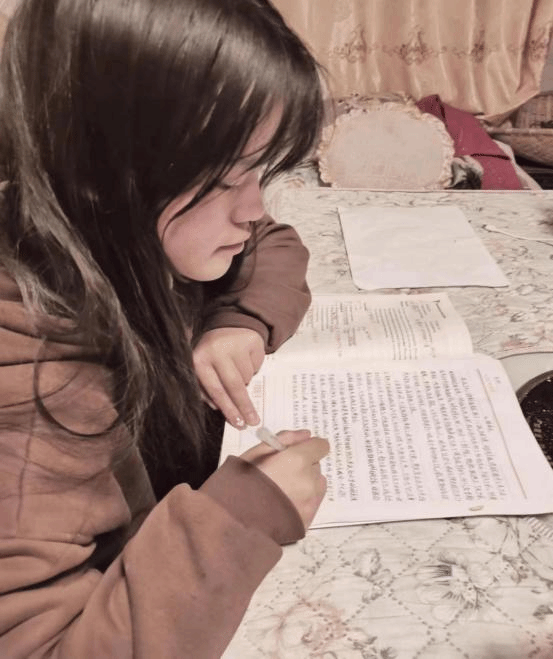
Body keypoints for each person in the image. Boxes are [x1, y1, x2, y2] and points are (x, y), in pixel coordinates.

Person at [0, 0, 329, 656]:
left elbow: (273, 240)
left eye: (261, 172)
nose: (253, 208)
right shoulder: (30, 383)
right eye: (227, 177)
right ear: (103, 168)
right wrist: (240, 517)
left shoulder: (105, 228)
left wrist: (237, 324)